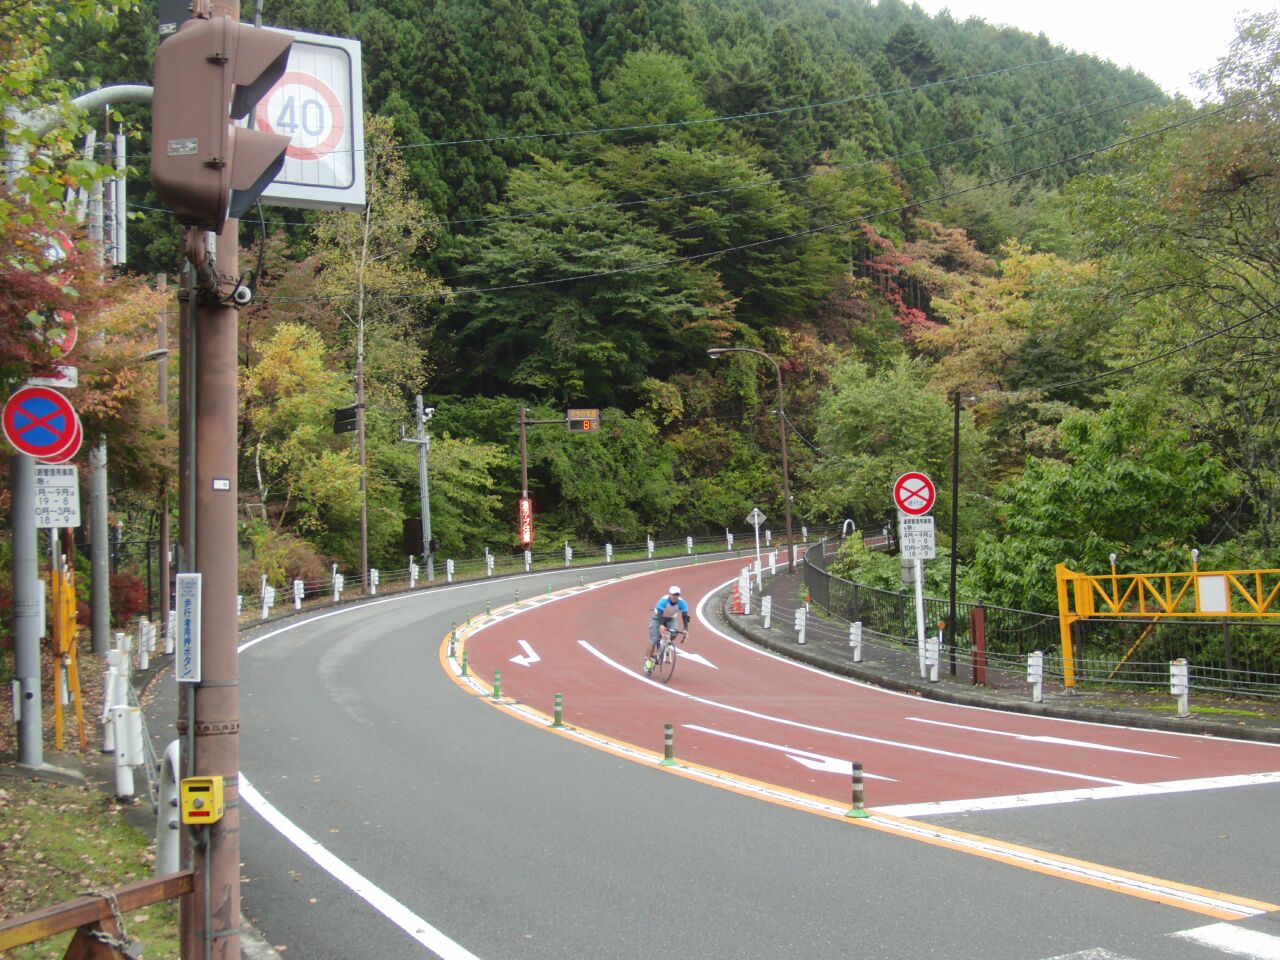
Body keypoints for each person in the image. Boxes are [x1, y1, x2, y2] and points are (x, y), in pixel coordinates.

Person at [646, 585, 690, 671]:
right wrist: (661, 625)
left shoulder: (682, 603)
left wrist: (686, 629)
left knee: (674, 633)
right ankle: (648, 661)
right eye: (674, 595)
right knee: (654, 639)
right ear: (670, 594)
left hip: (671, 618)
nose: (675, 597)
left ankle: (664, 644)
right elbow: (659, 614)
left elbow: (685, 616)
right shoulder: (663, 601)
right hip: (658, 617)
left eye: (677, 595)